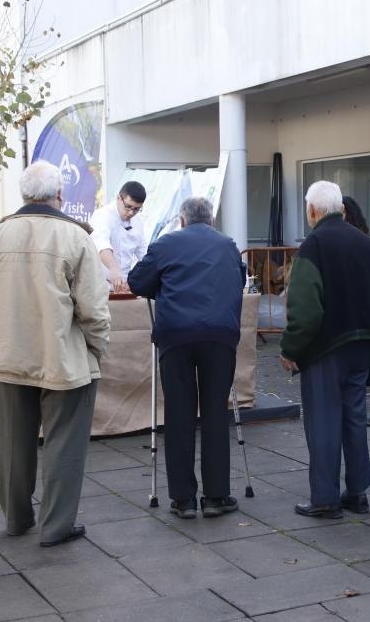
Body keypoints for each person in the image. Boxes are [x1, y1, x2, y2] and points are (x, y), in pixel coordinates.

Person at [0, 162, 110, 547]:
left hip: (9, 355)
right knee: (64, 443)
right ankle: (56, 526)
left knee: (12, 441)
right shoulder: (75, 238)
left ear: (24, 194)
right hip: (63, 358)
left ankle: (16, 519)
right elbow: (94, 310)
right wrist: (98, 349)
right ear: (59, 194)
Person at [280, 181, 370, 518]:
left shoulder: (313, 245)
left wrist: (290, 349)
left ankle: (325, 498)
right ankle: (357, 492)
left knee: (323, 422)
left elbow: (305, 311)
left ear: (312, 210)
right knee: (354, 419)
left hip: (325, 349)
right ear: (341, 209)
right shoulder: (365, 241)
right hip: (362, 344)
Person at [128, 197, 245, 519]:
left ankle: (183, 499)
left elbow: (138, 282)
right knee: (214, 413)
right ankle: (216, 496)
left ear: (182, 220)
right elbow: (240, 280)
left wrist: (167, 286)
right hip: (220, 336)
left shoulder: (166, 244)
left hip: (176, 335)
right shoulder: (228, 245)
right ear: (210, 220)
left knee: (179, 415)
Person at [90, 180, 148, 292]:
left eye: (136, 209)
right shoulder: (102, 216)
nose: (131, 213)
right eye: (128, 206)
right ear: (118, 198)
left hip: (124, 287)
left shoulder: (138, 222)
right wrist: (114, 270)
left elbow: (143, 253)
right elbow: (101, 245)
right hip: (100, 286)